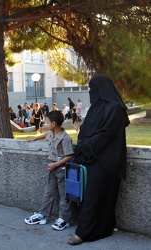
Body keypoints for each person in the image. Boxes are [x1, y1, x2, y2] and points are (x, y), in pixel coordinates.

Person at [68, 74, 130, 245]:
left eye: (92, 88)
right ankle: (104, 228)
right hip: (93, 157)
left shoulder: (115, 108)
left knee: (95, 196)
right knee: (95, 195)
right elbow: (87, 129)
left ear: (101, 88)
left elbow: (105, 134)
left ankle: (83, 232)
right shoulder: (97, 107)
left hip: (107, 161)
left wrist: (84, 146)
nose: (90, 92)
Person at [25, 110, 74, 231]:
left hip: (61, 169)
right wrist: (34, 139)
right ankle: (42, 215)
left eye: (47, 122)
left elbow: (69, 156)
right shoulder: (52, 133)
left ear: (54, 123)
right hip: (52, 168)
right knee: (49, 192)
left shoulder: (65, 138)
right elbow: (46, 135)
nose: (45, 124)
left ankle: (64, 219)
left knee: (64, 195)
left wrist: (56, 164)